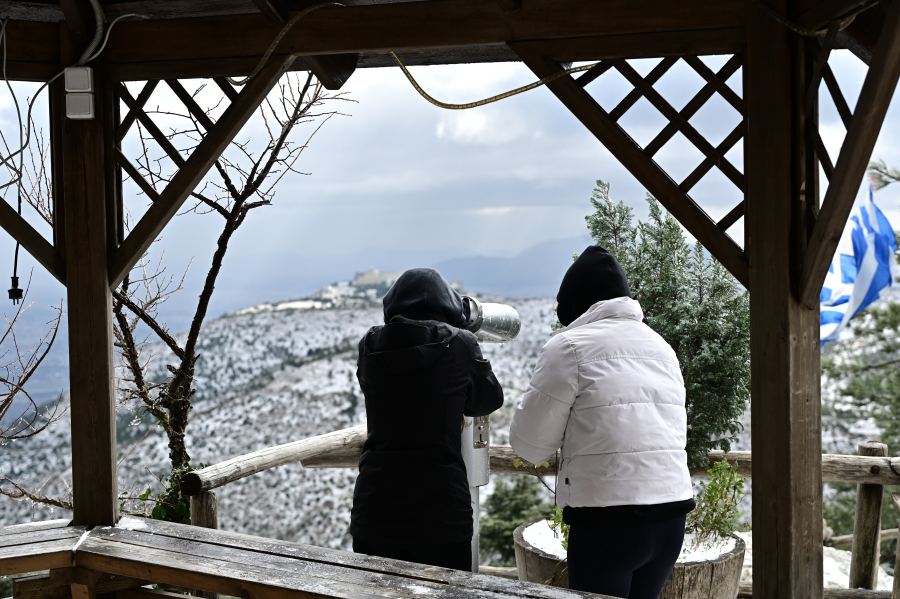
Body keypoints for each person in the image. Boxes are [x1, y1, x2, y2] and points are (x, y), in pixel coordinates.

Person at [510, 246, 693, 599]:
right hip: (671, 517)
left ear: (574, 304)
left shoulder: (569, 346)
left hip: (607, 520)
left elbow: (530, 446)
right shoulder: (661, 346)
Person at [350, 268, 504, 571]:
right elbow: (487, 399)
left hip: (376, 509)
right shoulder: (459, 343)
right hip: (441, 512)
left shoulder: (369, 345)